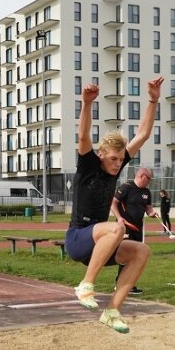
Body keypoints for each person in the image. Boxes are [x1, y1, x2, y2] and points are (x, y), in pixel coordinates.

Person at [65, 76, 163, 334]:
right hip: (78, 239)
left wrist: (153, 99)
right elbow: (83, 135)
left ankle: (112, 310)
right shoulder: (88, 165)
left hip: (101, 246)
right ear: (101, 155)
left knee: (142, 251)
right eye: (113, 158)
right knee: (117, 228)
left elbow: (142, 134)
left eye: (121, 159)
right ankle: (86, 284)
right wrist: (86, 103)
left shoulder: (117, 166)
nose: (118, 163)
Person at [110, 167, 158, 295]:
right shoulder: (126, 187)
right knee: (126, 255)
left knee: (136, 256)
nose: (149, 181)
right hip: (126, 227)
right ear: (142, 176)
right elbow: (113, 203)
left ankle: (129, 284)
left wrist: (152, 213)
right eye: (149, 179)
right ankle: (120, 285)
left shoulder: (147, 192)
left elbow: (148, 208)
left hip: (138, 228)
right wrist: (119, 218)